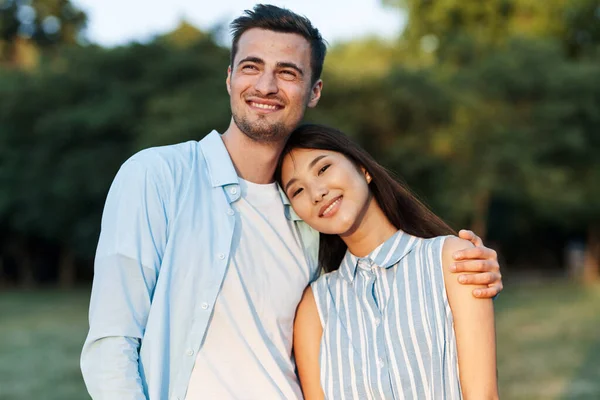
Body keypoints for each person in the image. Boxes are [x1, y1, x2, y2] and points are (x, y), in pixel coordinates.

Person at [80, 4, 503, 400]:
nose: (265, 85)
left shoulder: (310, 217)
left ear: (313, 90)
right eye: (251, 67)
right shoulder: (157, 176)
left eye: (287, 72)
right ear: (229, 78)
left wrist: (471, 265)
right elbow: (111, 342)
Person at [276, 123, 498, 399]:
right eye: (297, 191)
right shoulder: (316, 307)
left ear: (363, 169)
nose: (316, 193)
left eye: (323, 169)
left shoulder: (453, 260)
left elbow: (483, 395)